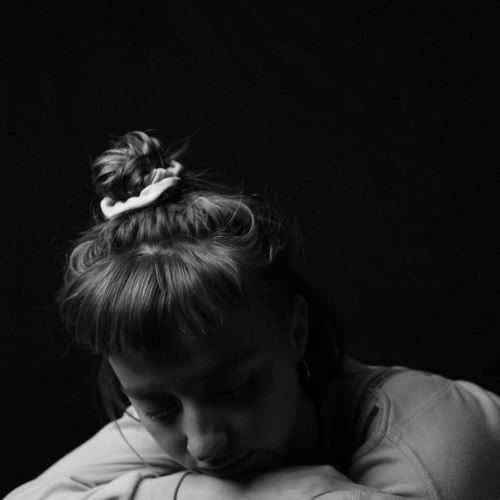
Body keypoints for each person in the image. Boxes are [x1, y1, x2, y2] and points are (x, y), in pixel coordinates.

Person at [5, 131, 500, 500]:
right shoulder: (191, 404)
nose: (204, 445)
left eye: (234, 388)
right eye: (156, 408)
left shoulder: (439, 441)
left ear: (297, 330)